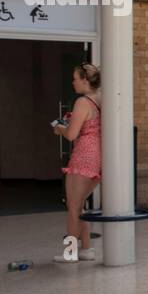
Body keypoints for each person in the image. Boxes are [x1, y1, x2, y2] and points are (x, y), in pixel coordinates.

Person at [53, 63, 102, 262]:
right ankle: (86, 249)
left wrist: (59, 128)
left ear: (85, 80)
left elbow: (72, 134)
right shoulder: (100, 99)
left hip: (83, 156)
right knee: (80, 205)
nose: (72, 82)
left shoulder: (82, 102)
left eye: (75, 78)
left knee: (73, 207)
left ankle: (70, 253)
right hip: (98, 156)